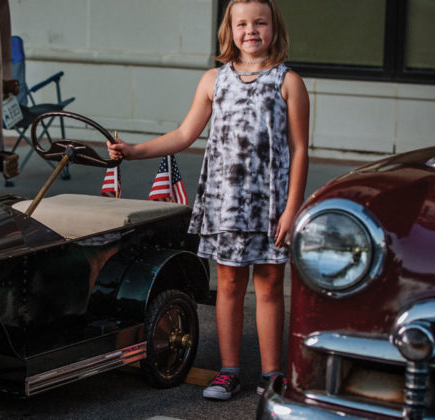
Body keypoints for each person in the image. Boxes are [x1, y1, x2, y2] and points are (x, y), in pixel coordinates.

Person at [107, 0, 308, 400]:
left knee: (269, 286)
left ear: (274, 28)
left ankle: (272, 375)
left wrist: (292, 208)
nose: (251, 31)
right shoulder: (214, 81)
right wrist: (134, 150)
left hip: (271, 205)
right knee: (230, 283)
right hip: (226, 203)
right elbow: (183, 135)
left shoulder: (289, 82)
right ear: (229, 31)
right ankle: (228, 371)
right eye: (242, 24)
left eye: (260, 23)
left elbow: (301, 149)